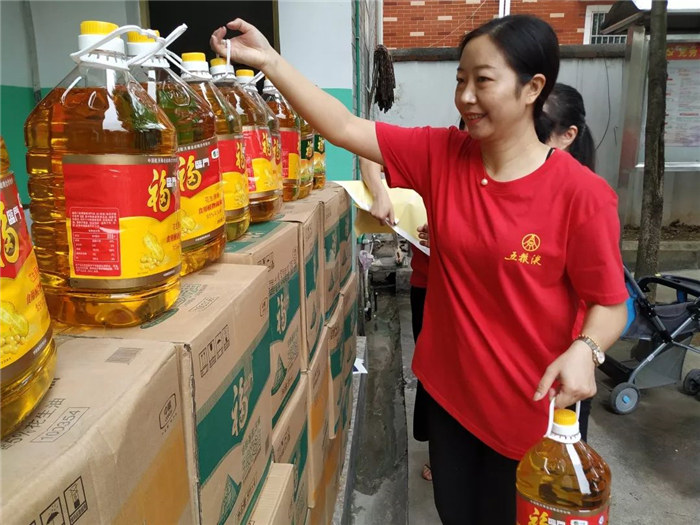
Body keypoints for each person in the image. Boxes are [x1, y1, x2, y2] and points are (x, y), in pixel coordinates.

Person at [212, 15, 629, 523]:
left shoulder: (582, 196)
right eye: (460, 79)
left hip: (531, 415)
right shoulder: (443, 154)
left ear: (532, 88)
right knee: (455, 513)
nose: (465, 97)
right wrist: (270, 62)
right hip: (452, 401)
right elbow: (344, 127)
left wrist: (587, 349)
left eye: (483, 80)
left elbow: (611, 303)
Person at [358, 156, 432, 481]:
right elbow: (367, 156)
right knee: (431, 371)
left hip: (475, 289)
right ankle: (440, 450)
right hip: (429, 285)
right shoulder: (436, 154)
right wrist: (380, 193)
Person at [537, 82, 598, 441]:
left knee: (558, 454)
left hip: (563, 357)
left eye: (537, 130)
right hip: (528, 357)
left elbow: (604, 300)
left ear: (567, 136)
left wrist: (585, 349)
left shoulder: (585, 198)